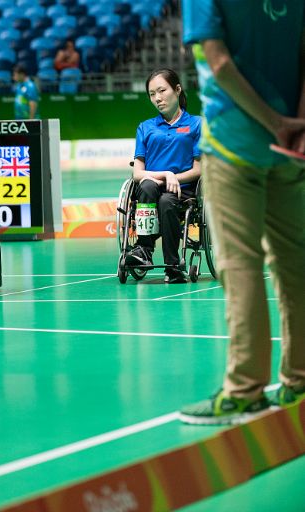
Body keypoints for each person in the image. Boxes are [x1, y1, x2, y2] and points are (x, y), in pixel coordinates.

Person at [179, 0, 305, 424]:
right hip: (292, 149)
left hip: (234, 147)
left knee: (240, 267)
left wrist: (274, 123)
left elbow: (218, 64)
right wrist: (296, 124)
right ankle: (300, 381)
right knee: (296, 266)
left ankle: (244, 391)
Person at [124, 68, 202, 284]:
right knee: (148, 186)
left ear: (177, 90)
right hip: (152, 185)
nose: (157, 98)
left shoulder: (196, 124)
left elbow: (199, 170)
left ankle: (173, 265)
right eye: (151, 94)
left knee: (167, 202)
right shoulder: (145, 127)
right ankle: (144, 251)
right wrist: (166, 175)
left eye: (162, 90)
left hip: (182, 190)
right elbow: (138, 173)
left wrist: (176, 178)